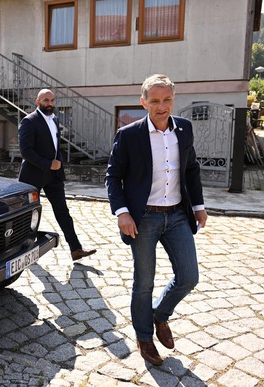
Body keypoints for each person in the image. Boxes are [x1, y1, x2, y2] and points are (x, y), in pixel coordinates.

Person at [105, 74, 207, 366]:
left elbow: (191, 170)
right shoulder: (129, 135)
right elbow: (113, 175)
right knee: (144, 283)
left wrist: (198, 206)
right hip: (144, 218)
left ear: (173, 99)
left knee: (189, 277)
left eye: (167, 100)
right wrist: (122, 212)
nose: (161, 107)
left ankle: (160, 315)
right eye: (154, 101)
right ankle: (144, 337)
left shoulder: (184, 129)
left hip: (177, 215)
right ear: (143, 102)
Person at [18, 89, 96, 262]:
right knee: (27, 214)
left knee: (63, 211)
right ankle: (20, 250)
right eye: (46, 100)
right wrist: (47, 164)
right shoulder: (29, 121)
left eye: (52, 100)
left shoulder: (54, 120)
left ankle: (76, 249)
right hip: (32, 176)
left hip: (53, 176)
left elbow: (54, 146)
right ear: (38, 102)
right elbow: (26, 151)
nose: (50, 103)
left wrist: (58, 165)